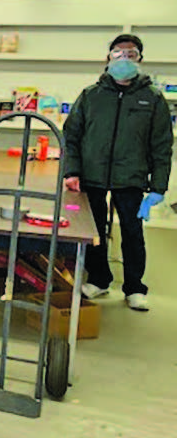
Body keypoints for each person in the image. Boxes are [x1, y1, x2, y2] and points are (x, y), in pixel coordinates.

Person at [63, 34, 172, 312]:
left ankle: (135, 287)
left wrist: (159, 186)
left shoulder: (153, 99)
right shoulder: (91, 95)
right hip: (92, 174)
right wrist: (71, 171)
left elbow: (162, 146)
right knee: (94, 231)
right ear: (108, 58)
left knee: (132, 232)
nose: (124, 59)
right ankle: (99, 279)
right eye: (117, 54)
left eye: (131, 54)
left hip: (131, 178)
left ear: (140, 59)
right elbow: (71, 136)